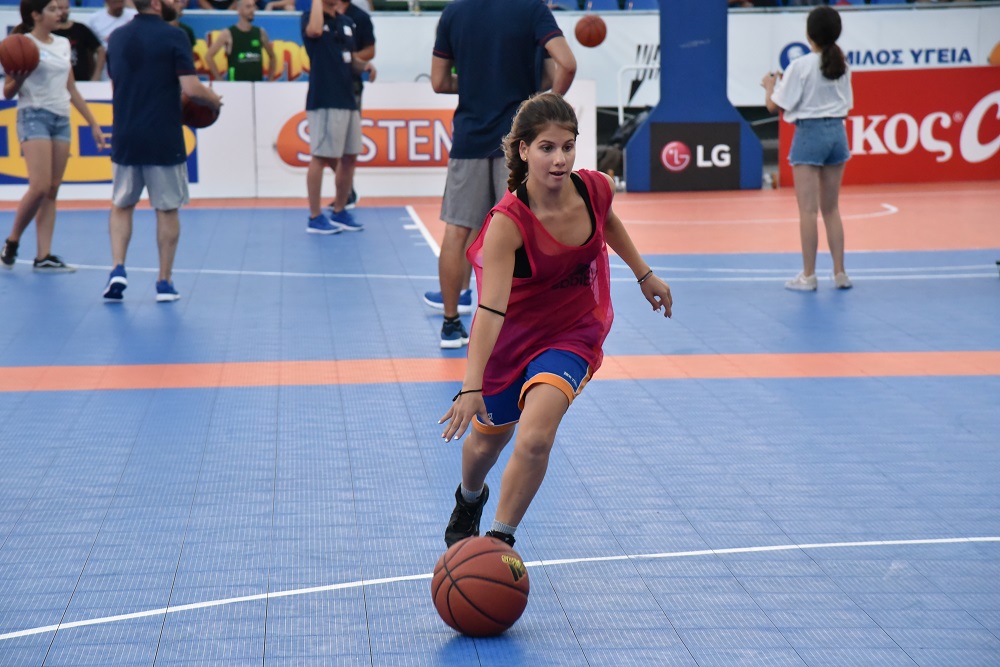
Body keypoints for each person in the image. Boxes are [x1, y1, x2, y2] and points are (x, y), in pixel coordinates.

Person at [440, 92, 673, 549]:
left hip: (572, 333)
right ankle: (469, 498)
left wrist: (643, 273)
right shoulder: (508, 221)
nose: (560, 158)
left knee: (534, 438)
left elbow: (607, 221)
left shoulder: (596, 188)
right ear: (524, 150)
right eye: (547, 147)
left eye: (567, 146)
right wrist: (470, 386)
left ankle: (500, 542)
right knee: (485, 444)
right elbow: (490, 309)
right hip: (511, 337)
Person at [426, 0, 577, 348]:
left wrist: (477, 81)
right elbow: (566, 63)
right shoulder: (531, 9)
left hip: (470, 139)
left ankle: (451, 323)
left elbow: (438, 81)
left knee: (457, 230)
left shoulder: (454, 13)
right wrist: (546, 105)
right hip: (517, 142)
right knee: (526, 232)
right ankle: (525, 323)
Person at [101, 0, 222, 302]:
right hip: (163, 135)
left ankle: (117, 268)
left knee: (122, 205)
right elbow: (191, 89)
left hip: (126, 134)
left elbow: (118, 85)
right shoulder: (174, 35)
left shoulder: (116, 37)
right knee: (167, 209)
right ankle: (164, 282)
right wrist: (213, 100)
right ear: (156, 3)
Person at [0, 0, 108, 273]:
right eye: (52, 9)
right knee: (39, 186)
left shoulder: (62, 44)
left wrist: (93, 123)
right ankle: (12, 241)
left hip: (61, 117)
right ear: (36, 15)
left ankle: (43, 255)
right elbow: (8, 93)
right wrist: (20, 77)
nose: (59, 13)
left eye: (59, 9)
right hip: (33, 114)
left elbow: (70, 88)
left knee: (52, 189)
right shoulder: (20, 44)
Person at [762, 4, 853, 291]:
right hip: (837, 132)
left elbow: (775, 105)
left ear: (809, 35)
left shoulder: (800, 66)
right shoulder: (842, 64)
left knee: (808, 211)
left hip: (810, 134)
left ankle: (809, 276)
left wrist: (769, 86)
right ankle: (840, 273)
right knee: (831, 209)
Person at [301, 0, 375, 234]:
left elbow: (348, 58)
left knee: (350, 157)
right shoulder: (310, 19)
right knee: (320, 157)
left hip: (348, 98)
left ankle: (340, 210)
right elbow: (314, 31)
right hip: (325, 98)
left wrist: (364, 66)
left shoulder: (346, 22)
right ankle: (315, 217)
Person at [324, 0, 374, 212]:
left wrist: (351, 60)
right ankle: (347, 190)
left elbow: (370, 50)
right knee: (328, 148)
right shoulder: (322, 16)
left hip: (351, 87)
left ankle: (345, 195)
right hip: (327, 88)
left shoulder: (359, 17)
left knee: (348, 148)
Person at [205, 0, 281, 81]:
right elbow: (208, 56)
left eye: (253, 6)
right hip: (236, 85)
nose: (252, 10)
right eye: (248, 7)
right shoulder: (228, 33)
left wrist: (270, 79)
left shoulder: (260, 32)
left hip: (256, 85)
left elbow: (272, 57)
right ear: (239, 10)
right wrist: (219, 79)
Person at [53, 0, 105, 82]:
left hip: (82, 81)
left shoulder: (80, 29)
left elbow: (100, 50)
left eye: (66, 8)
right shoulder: (50, 31)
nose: (64, 11)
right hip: (57, 81)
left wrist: (96, 76)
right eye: (60, 8)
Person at [85, 0, 137, 81]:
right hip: (105, 72)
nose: (119, 6)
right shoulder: (95, 19)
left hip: (132, 69)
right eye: (115, 2)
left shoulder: (134, 16)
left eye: (121, 2)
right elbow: (89, 49)